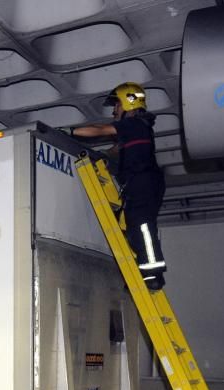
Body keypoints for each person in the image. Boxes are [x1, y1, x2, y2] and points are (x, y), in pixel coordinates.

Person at [72, 82, 167, 290]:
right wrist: (104, 156)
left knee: (142, 226)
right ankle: (144, 270)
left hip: (143, 182)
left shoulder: (133, 124)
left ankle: (153, 273)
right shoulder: (140, 128)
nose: (114, 110)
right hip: (143, 183)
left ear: (127, 102)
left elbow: (101, 130)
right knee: (134, 228)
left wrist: (72, 131)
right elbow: (117, 149)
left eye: (116, 104)